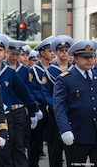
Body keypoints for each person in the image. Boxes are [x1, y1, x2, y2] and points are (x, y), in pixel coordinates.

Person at [0, 34, 40, 167]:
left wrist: (34, 109)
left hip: (5, 117)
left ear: (5, 53)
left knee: (7, 150)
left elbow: (23, 92)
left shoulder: (9, 72)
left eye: (0, 50)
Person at [53, 40, 97, 167]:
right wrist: (65, 129)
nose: (89, 60)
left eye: (92, 57)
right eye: (85, 57)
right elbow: (59, 106)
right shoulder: (65, 78)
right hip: (77, 133)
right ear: (75, 59)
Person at [41, 35, 74, 167]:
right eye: (61, 50)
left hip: (72, 112)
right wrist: (55, 105)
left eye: (66, 50)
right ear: (56, 52)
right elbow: (46, 92)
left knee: (73, 146)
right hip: (56, 113)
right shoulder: (49, 71)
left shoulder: (74, 70)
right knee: (55, 145)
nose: (64, 53)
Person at [28, 36, 55, 167]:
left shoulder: (53, 69)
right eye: (49, 51)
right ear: (42, 53)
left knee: (53, 140)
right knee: (36, 141)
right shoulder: (33, 70)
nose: (52, 54)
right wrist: (45, 102)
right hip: (40, 108)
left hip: (52, 107)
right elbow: (34, 90)